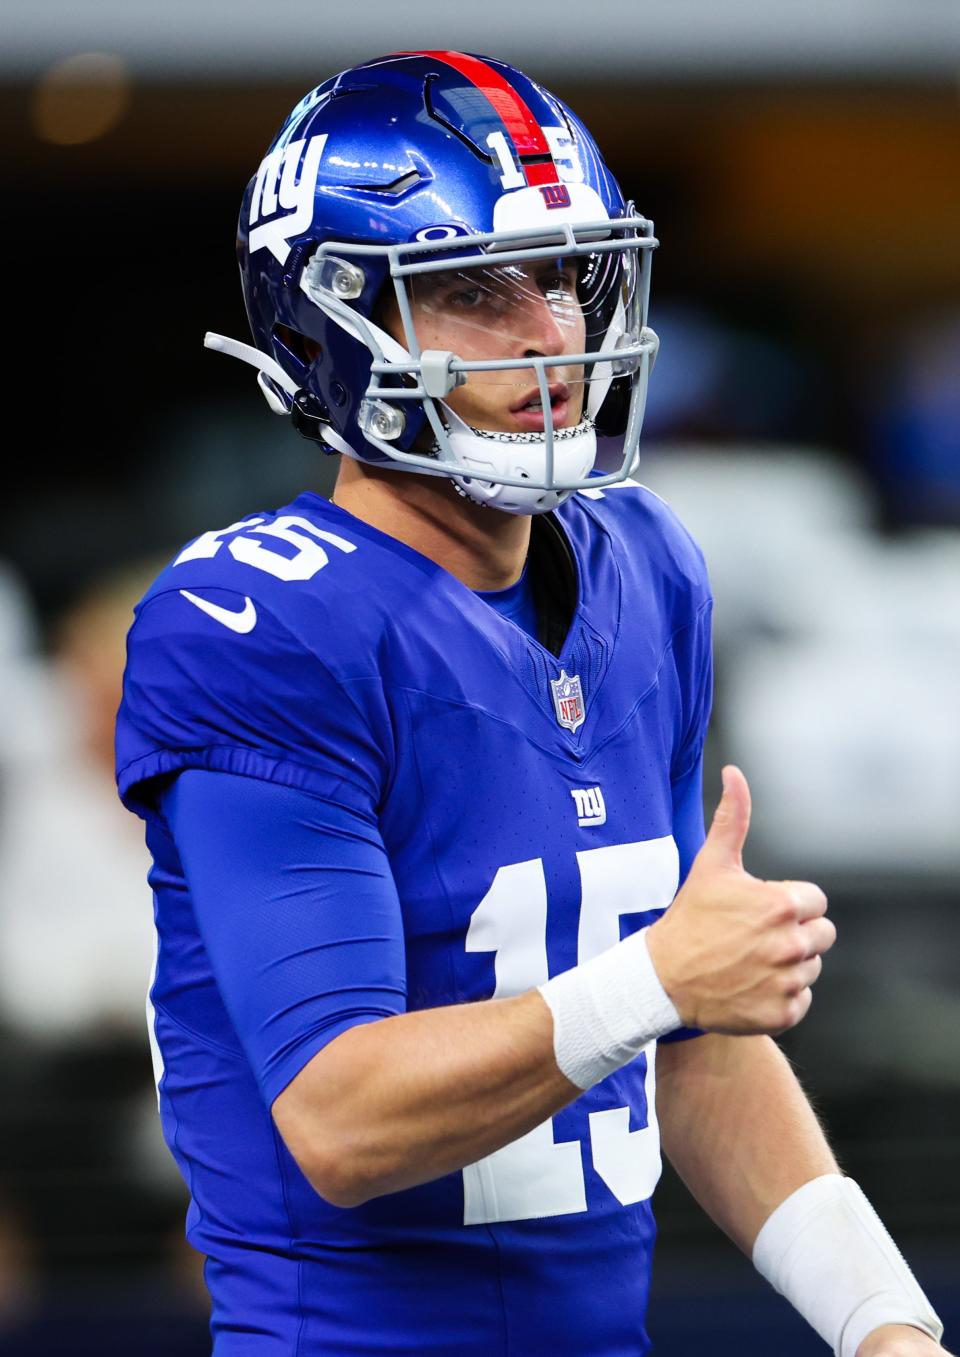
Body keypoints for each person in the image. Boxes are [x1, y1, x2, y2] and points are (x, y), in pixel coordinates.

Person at [115, 51, 948, 1357]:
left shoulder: (647, 566)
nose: (552, 331)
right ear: (326, 323)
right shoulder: (262, 626)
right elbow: (343, 1118)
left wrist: (884, 1326)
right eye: (472, 288)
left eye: (562, 273)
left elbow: (689, 1041)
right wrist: (659, 976)